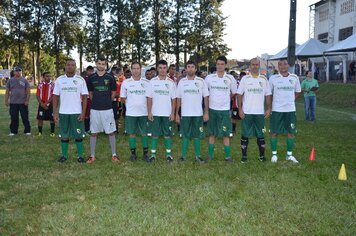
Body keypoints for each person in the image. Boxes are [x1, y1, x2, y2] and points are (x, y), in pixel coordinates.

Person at [237, 58, 272, 163]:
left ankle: (261, 156)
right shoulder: (245, 79)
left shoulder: (264, 79)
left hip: (259, 113)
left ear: (259, 65)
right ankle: (244, 157)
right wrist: (240, 109)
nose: (255, 66)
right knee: (245, 134)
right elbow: (239, 94)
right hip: (247, 112)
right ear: (250, 65)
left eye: (257, 64)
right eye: (253, 64)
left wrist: (269, 108)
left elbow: (268, 95)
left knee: (261, 135)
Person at [53, 59, 88, 163]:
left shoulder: (80, 80)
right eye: (68, 65)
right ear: (65, 67)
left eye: (72, 65)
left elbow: (85, 97)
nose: (70, 67)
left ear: (75, 67)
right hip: (63, 113)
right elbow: (55, 96)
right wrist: (55, 112)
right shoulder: (59, 80)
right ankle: (64, 156)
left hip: (76, 112)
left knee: (78, 135)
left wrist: (83, 112)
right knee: (64, 135)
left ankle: (80, 156)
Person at [86, 57, 118, 164]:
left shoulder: (110, 77)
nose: (101, 65)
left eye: (103, 64)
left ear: (105, 65)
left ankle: (114, 155)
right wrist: (96, 101)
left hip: (107, 109)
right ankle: (92, 156)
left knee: (111, 132)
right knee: (94, 132)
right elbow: (90, 93)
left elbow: (113, 92)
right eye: (99, 63)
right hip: (95, 109)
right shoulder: (91, 77)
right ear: (96, 64)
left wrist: (108, 101)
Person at [175, 60, 209, 162]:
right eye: (188, 67)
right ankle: (183, 156)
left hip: (198, 114)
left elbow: (206, 97)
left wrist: (206, 112)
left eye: (192, 67)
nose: (190, 68)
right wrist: (176, 113)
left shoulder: (201, 81)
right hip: (185, 114)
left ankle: (198, 156)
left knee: (197, 135)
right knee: (185, 135)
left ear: (196, 69)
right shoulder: (181, 82)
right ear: (185, 69)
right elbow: (178, 98)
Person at [205, 55, 237, 162]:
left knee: (225, 133)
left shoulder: (230, 78)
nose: (220, 66)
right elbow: (205, 93)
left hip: (224, 110)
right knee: (212, 133)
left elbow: (234, 93)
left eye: (222, 64)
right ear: (216, 65)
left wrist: (226, 99)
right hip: (212, 109)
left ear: (225, 65)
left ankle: (228, 157)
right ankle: (210, 155)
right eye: (218, 64)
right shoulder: (209, 78)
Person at [269, 59, 301, 163]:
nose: (282, 66)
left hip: (290, 110)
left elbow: (298, 92)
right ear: (278, 67)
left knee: (291, 132)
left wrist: (290, 100)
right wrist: (269, 107)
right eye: (280, 65)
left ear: (288, 65)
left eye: (285, 64)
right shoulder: (273, 78)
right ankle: (274, 155)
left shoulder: (294, 77)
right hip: (277, 109)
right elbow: (269, 94)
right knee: (274, 132)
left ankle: (289, 155)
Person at [147, 59, 176, 162]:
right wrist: (149, 112)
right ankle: (153, 155)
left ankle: (168, 154)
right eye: (160, 68)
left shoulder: (171, 82)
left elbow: (173, 99)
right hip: (155, 113)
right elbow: (149, 98)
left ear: (167, 69)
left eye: (164, 68)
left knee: (167, 134)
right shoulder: (152, 82)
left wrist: (173, 113)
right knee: (155, 134)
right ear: (157, 69)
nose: (162, 70)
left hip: (167, 113)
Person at [120, 62, 150, 161]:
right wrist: (131, 105)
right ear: (131, 70)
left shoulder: (146, 82)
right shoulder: (126, 82)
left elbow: (150, 97)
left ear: (141, 70)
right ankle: (133, 154)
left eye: (137, 68)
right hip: (131, 113)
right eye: (134, 68)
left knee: (144, 133)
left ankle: (145, 154)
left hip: (144, 113)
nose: (136, 70)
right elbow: (123, 98)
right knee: (132, 133)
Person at [5, 66, 31, 136]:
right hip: (13, 103)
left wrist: (27, 100)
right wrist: (6, 101)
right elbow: (7, 92)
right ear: (14, 72)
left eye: (19, 71)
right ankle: (13, 131)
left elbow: (28, 92)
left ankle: (27, 131)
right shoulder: (10, 81)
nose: (18, 72)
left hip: (23, 102)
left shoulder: (25, 80)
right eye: (16, 71)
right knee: (14, 117)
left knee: (25, 117)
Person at [36, 71, 55, 137]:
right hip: (41, 104)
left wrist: (46, 103)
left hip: (50, 104)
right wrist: (42, 104)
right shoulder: (40, 85)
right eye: (47, 76)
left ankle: (52, 132)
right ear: (43, 77)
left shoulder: (53, 85)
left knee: (52, 118)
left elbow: (53, 95)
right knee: (40, 118)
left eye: (50, 76)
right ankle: (40, 132)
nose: (49, 77)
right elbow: (37, 95)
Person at [84, 66, 94, 134]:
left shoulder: (94, 79)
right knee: (86, 114)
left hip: (92, 98)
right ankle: (85, 129)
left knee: (92, 114)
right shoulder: (83, 79)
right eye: (89, 71)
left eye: (92, 71)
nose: (90, 72)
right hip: (85, 99)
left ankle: (91, 128)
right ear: (86, 71)